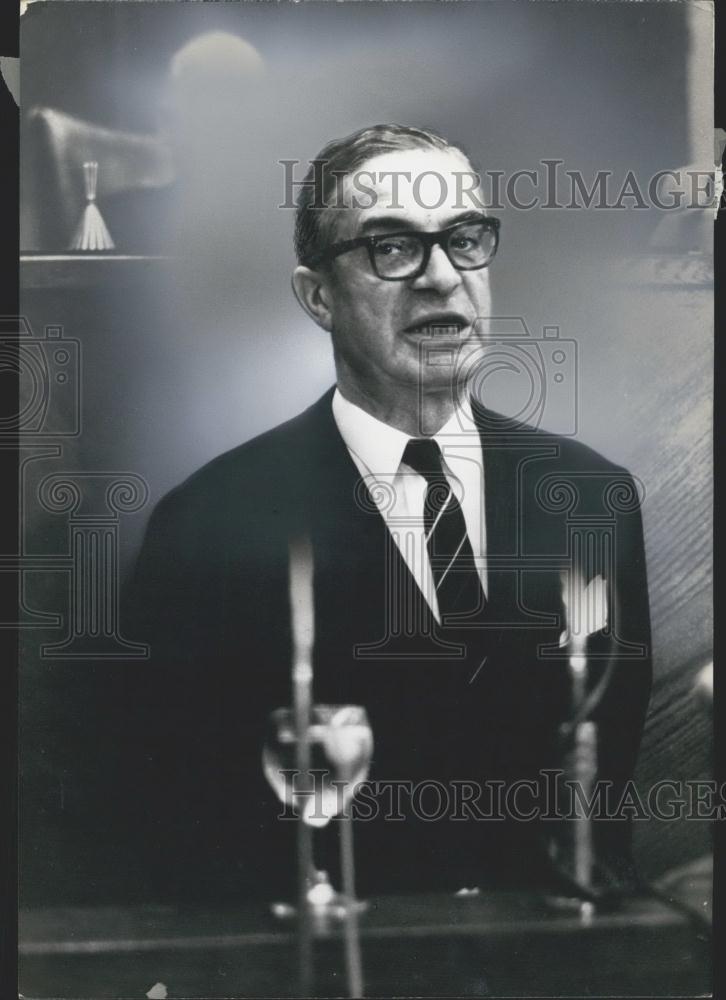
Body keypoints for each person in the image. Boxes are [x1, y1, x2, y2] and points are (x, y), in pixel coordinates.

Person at [122, 124, 652, 902]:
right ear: (317, 296)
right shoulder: (207, 525)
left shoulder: (592, 498)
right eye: (392, 248)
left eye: (465, 239)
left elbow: (603, 790)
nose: (441, 278)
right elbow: (174, 834)